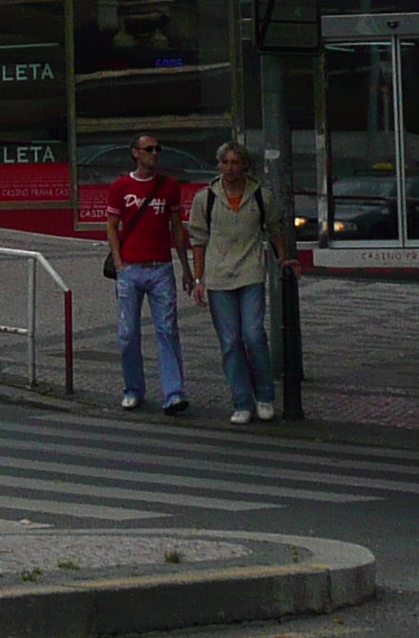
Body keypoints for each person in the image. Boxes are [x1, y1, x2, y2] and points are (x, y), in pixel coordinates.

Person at [188, 142, 284, 423]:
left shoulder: (260, 197)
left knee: (253, 336)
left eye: (235, 162)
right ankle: (242, 401)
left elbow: (275, 229)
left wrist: (284, 258)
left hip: (250, 272)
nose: (230, 168)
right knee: (230, 342)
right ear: (219, 165)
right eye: (225, 163)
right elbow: (198, 240)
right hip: (219, 278)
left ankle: (264, 396)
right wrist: (198, 279)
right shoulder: (205, 198)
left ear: (245, 165)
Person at [102, 132, 192, 414]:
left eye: (157, 149)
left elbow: (177, 228)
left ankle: (173, 392)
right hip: (130, 269)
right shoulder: (121, 186)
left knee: (167, 330)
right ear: (135, 153)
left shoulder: (169, 186)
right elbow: (112, 225)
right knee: (127, 333)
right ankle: (133, 388)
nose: (154, 154)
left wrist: (186, 268)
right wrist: (119, 263)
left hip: (160, 268)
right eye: (148, 149)